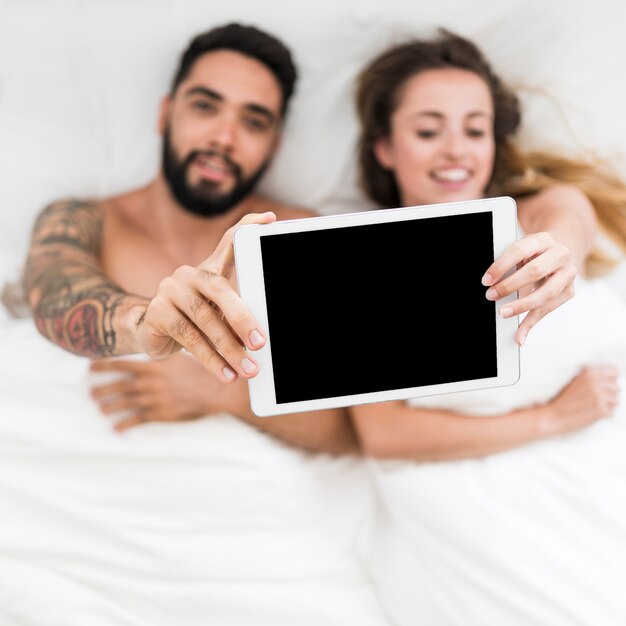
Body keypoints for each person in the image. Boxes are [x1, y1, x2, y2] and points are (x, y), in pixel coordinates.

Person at [349, 29, 626, 625]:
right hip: (477, 531)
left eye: (475, 130)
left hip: (595, 499)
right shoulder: (363, 262)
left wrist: (559, 255)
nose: (456, 150)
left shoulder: (543, 211)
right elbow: (381, 433)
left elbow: (568, 222)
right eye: (428, 130)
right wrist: (549, 419)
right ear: (384, 147)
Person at [20, 22, 355, 450]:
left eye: (253, 122)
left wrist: (221, 391)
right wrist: (144, 324)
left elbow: (350, 435)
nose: (223, 137)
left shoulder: (299, 238)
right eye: (205, 106)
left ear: (273, 147)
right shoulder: (80, 220)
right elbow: (51, 297)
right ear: (165, 113)